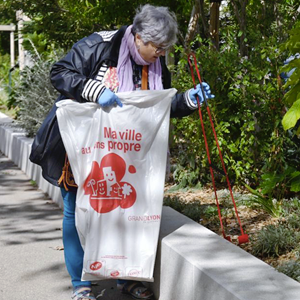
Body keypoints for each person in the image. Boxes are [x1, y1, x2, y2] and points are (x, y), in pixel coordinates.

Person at [34, 4, 214, 300]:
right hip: (82, 146)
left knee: (130, 210)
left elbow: (157, 109)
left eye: (165, 48)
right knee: (75, 208)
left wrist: (188, 101)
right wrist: (93, 89)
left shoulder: (156, 63)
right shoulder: (100, 45)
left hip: (128, 150)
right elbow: (60, 73)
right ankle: (82, 285)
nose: (161, 54)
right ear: (140, 37)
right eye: (158, 47)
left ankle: (126, 278)